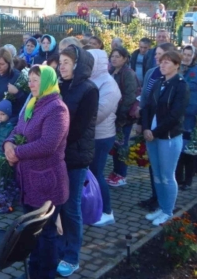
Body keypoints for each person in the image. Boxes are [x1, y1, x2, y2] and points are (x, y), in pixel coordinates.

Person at [4, 65, 70, 279]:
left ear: (48, 82)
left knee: (47, 234)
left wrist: (18, 153)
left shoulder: (57, 108)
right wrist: (8, 144)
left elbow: (48, 144)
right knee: (32, 233)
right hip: (29, 181)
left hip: (47, 183)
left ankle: (47, 274)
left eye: (36, 80)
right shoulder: (32, 103)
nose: (31, 83)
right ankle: (33, 272)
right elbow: (17, 129)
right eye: (30, 79)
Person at [56, 45, 98, 277]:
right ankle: (58, 248)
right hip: (56, 156)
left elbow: (79, 128)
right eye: (60, 62)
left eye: (66, 62)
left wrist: (53, 142)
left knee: (71, 208)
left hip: (75, 157)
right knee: (56, 206)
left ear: (78, 65)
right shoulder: (59, 87)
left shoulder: (89, 90)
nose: (61, 66)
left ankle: (72, 256)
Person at [142, 51, 189, 226]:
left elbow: (175, 115)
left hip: (168, 137)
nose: (163, 65)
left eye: (167, 62)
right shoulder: (159, 82)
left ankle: (168, 211)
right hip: (151, 135)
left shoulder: (181, 85)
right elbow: (146, 106)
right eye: (162, 62)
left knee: (167, 176)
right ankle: (161, 207)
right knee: (157, 174)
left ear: (177, 65)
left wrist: (155, 131)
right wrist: (146, 127)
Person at [138, 42, 176, 210]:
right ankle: (157, 200)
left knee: (166, 172)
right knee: (155, 169)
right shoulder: (154, 76)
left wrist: (155, 130)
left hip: (166, 132)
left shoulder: (178, 82)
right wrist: (143, 125)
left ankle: (166, 207)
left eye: (161, 55)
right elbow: (145, 101)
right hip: (150, 127)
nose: (157, 58)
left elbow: (175, 112)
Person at [87, 49, 121, 227]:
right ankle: (93, 207)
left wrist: (77, 117)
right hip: (89, 135)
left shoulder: (109, 84)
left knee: (97, 173)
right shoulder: (89, 80)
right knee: (90, 174)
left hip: (102, 135)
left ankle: (107, 211)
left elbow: (98, 113)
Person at [176, 45, 197, 189]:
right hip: (175, 117)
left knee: (188, 150)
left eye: (189, 55)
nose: (186, 57)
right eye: (184, 54)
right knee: (177, 149)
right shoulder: (175, 69)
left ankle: (188, 179)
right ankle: (177, 178)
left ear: (194, 57)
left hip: (191, 118)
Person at [107, 47, 138, 187]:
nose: (114, 59)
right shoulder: (112, 71)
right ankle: (115, 171)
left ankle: (122, 174)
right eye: (112, 56)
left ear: (125, 58)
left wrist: (121, 116)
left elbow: (129, 96)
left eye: (118, 56)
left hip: (123, 117)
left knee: (122, 145)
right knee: (116, 144)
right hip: (113, 115)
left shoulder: (128, 74)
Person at [0, 48, 27, 133]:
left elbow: (25, 101)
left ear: (9, 63)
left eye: (2, 64)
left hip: (8, 124)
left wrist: (17, 92)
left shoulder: (17, 77)